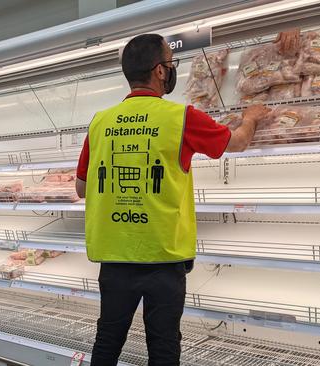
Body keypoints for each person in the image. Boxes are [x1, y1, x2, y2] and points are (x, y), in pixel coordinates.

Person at [74, 33, 269, 366]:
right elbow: (235, 143)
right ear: (160, 71)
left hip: (114, 256)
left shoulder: (100, 122)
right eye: (171, 62)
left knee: (107, 340)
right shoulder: (181, 117)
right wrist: (250, 117)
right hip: (163, 258)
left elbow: (81, 188)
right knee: (163, 347)